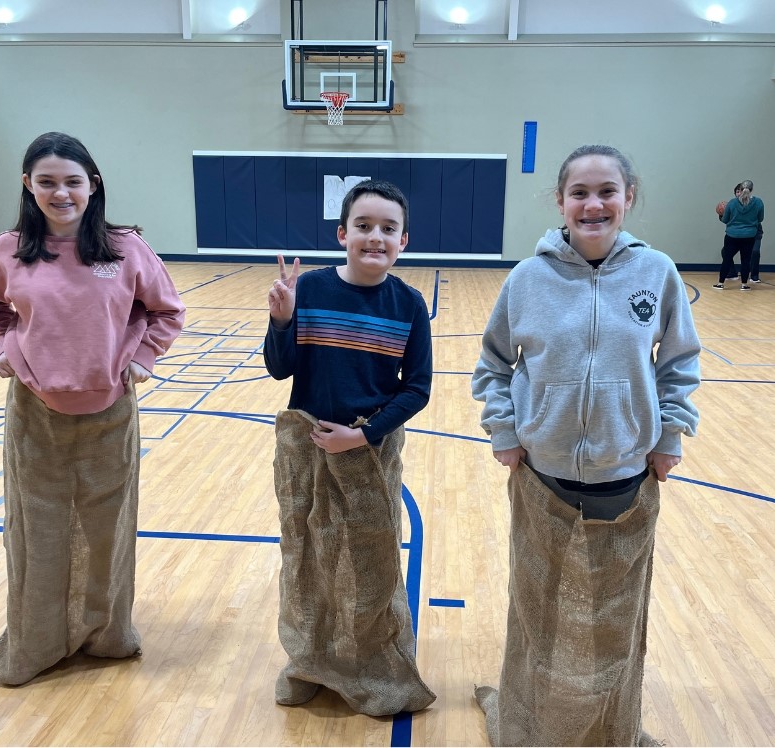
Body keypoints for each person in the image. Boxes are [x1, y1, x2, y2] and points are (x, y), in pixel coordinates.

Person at [471, 145, 703, 746]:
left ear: (629, 197)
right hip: (542, 475)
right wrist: (505, 429)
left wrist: (668, 434)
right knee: (537, 611)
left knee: (613, 621)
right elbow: (494, 364)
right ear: (560, 201)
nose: (593, 204)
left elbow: (678, 364)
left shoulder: (657, 274)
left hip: (626, 478)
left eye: (607, 191)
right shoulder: (528, 278)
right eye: (579, 192)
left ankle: (609, 728)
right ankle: (528, 723)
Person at [0, 132, 184, 686]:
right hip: (34, 414)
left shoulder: (126, 249)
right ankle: (38, 641)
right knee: (37, 532)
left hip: (111, 412)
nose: (61, 192)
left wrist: (142, 358)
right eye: (47, 182)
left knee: (107, 529)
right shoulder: (7, 250)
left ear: (94, 185)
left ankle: (107, 634)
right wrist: (6, 349)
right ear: (28, 186)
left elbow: (166, 311)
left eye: (72, 181)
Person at [261, 180, 435, 716]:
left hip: (368, 452)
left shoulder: (408, 305)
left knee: (368, 561)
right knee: (308, 557)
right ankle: (310, 661)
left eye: (387, 229)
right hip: (307, 450)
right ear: (342, 234)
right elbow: (279, 367)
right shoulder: (310, 289)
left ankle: (367, 662)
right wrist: (282, 319)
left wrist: (361, 435)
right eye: (363, 226)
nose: (374, 237)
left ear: (403, 240)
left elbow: (418, 389)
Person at [714, 179, 764, 290]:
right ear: (751, 190)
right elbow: (760, 218)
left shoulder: (732, 203)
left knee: (727, 258)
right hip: (749, 235)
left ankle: (720, 283)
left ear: (740, 190)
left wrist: (721, 216)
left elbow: (726, 219)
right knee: (745, 260)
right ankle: (744, 284)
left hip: (732, 235)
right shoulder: (759, 202)